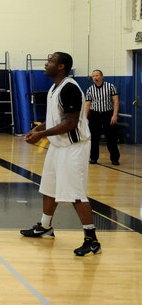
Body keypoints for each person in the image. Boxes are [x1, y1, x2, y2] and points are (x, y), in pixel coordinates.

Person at [21, 52, 101, 257]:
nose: (46, 63)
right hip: (58, 147)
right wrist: (39, 130)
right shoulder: (54, 88)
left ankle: (91, 240)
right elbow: (58, 120)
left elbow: (71, 123)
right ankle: (45, 227)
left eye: (51, 61)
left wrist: (42, 135)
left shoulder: (69, 88)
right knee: (48, 187)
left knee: (75, 194)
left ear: (61, 67)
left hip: (74, 148)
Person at [85, 70, 120, 165]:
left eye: (96, 75)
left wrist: (114, 115)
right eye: (93, 76)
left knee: (111, 137)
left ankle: (115, 158)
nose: (95, 77)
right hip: (95, 114)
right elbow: (87, 104)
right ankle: (93, 158)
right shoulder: (90, 89)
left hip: (107, 114)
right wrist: (85, 118)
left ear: (102, 76)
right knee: (94, 138)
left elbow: (116, 102)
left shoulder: (110, 86)